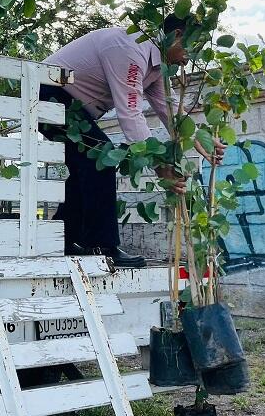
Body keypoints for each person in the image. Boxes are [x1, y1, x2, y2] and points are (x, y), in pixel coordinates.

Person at [40, 15, 225, 267]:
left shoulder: (155, 65)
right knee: (101, 156)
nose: (190, 58)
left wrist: (199, 138)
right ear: (178, 35)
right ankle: (102, 246)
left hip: (70, 105)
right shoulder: (131, 49)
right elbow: (130, 115)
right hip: (48, 93)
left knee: (85, 167)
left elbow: (167, 111)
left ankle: (62, 239)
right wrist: (160, 166)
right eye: (193, 48)